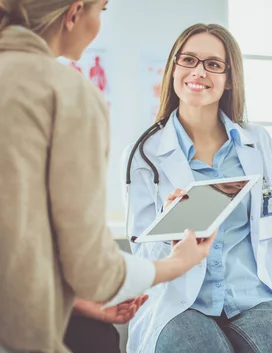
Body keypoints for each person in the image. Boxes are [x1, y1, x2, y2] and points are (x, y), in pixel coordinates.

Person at [0, 2, 216, 353]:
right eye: (101, 9)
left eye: (213, 65)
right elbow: (92, 270)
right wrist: (178, 263)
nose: (199, 73)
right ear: (74, 13)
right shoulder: (67, 93)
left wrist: (79, 301)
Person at [123, 23, 272, 353]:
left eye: (213, 64)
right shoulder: (143, 154)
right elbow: (142, 248)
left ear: (229, 79)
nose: (199, 71)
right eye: (188, 60)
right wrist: (171, 232)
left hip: (252, 296)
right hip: (179, 301)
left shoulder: (257, 142)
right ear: (174, 68)